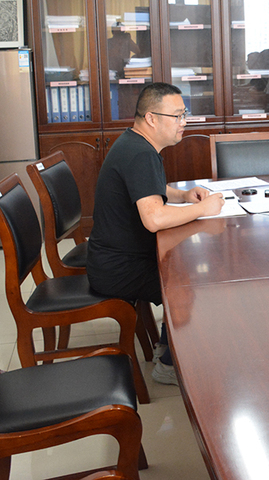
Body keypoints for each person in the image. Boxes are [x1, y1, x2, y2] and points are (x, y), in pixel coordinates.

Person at [87, 83, 225, 384]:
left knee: (181, 266)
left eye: (184, 114)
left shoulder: (134, 143)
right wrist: (204, 208)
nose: (183, 122)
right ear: (151, 118)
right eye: (177, 116)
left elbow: (149, 188)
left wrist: (183, 196)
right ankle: (169, 365)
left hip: (115, 256)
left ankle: (167, 345)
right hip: (117, 268)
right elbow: (154, 218)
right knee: (186, 283)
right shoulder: (141, 154)